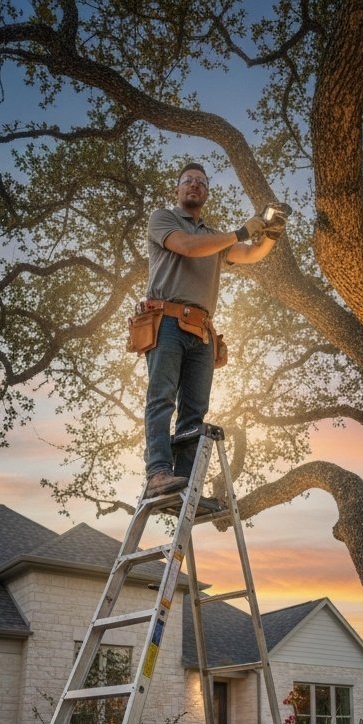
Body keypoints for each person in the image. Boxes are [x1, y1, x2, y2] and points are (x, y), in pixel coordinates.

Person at [142, 162, 286, 499]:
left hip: (202, 331)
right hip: (167, 323)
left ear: (206, 193)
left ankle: (186, 484)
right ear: (177, 190)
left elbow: (251, 253)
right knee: (161, 398)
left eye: (201, 183)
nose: (194, 185)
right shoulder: (162, 218)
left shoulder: (213, 237)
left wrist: (272, 232)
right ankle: (158, 473)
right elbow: (188, 247)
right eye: (188, 181)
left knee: (195, 412)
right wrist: (240, 231)